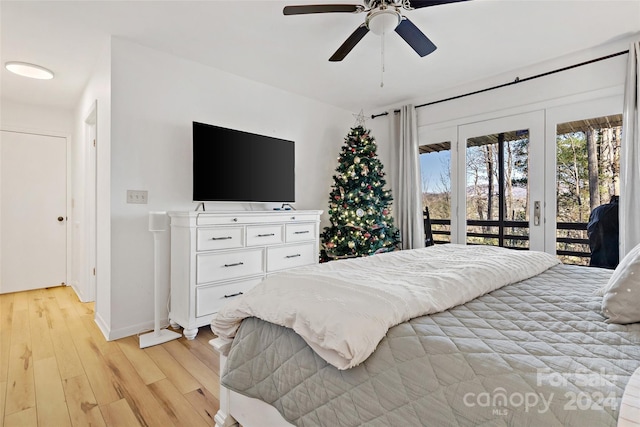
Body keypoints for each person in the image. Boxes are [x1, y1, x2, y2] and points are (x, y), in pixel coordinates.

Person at [587, 195, 619, 269]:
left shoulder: (597, 210)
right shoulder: (620, 210)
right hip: (614, 251)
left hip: (597, 248)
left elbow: (589, 229)